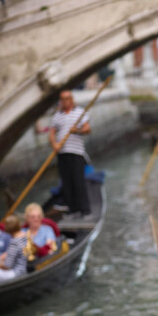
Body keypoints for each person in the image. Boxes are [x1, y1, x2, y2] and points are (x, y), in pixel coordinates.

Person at [49, 90, 92, 219]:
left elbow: (87, 129)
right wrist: (54, 145)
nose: (64, 101)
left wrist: (76, 130)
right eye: (62, 99)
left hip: (76, 152)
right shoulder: (57, 116)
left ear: (71, 99)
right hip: (62, 153)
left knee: (78, 181)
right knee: (66, 183)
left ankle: (85, 211)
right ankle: (72, 210)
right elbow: (52, 133)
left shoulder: (80, 112)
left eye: (67, 99)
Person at [0, 214, 28, 283]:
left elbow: (8, 266)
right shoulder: (25, 237)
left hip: (17, 273)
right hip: (24, 270)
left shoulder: (15, 242)